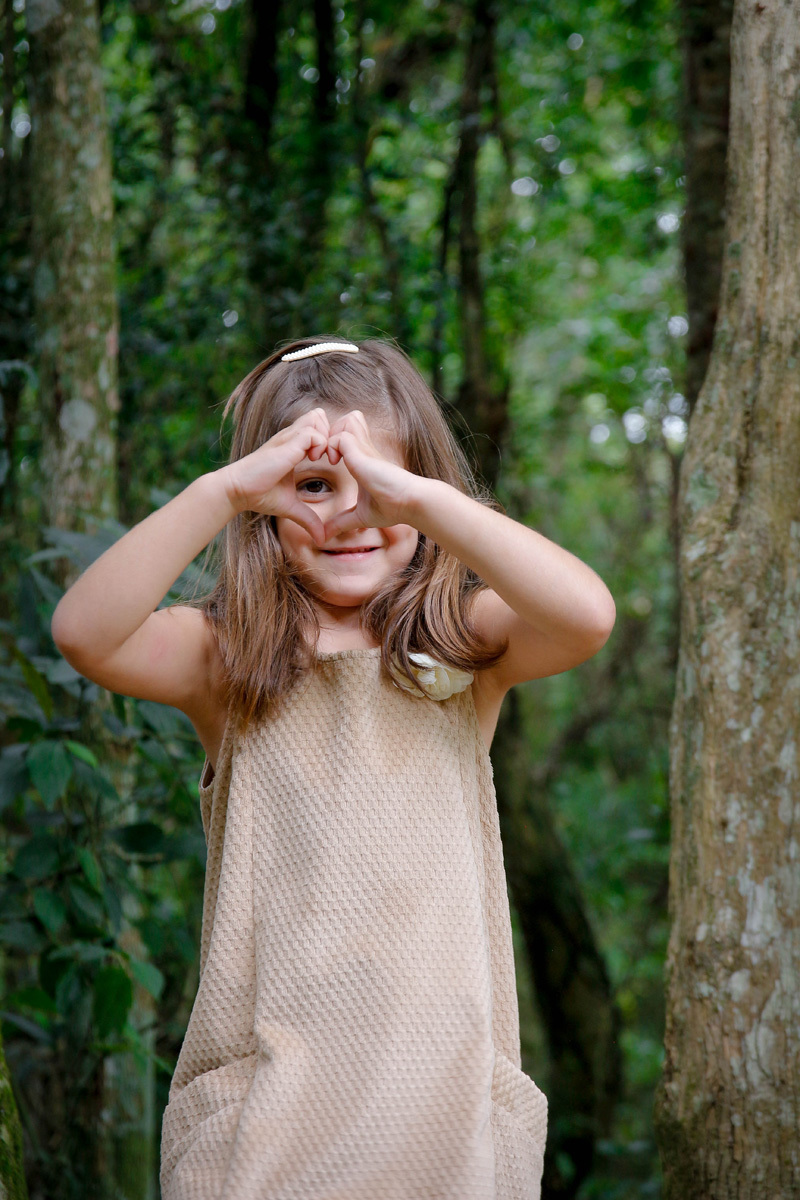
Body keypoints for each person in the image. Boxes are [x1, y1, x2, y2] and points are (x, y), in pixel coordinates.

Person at [51, 337, 616, 1199]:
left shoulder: (466, 644)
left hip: (442, 1111)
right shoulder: (227, 657)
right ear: (267, 507)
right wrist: (225, 488)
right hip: (267, 1117)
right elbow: (84, 634)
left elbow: (586, 615)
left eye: (379, 483)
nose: (351, 514)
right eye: (315, 486)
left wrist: (422, 501)